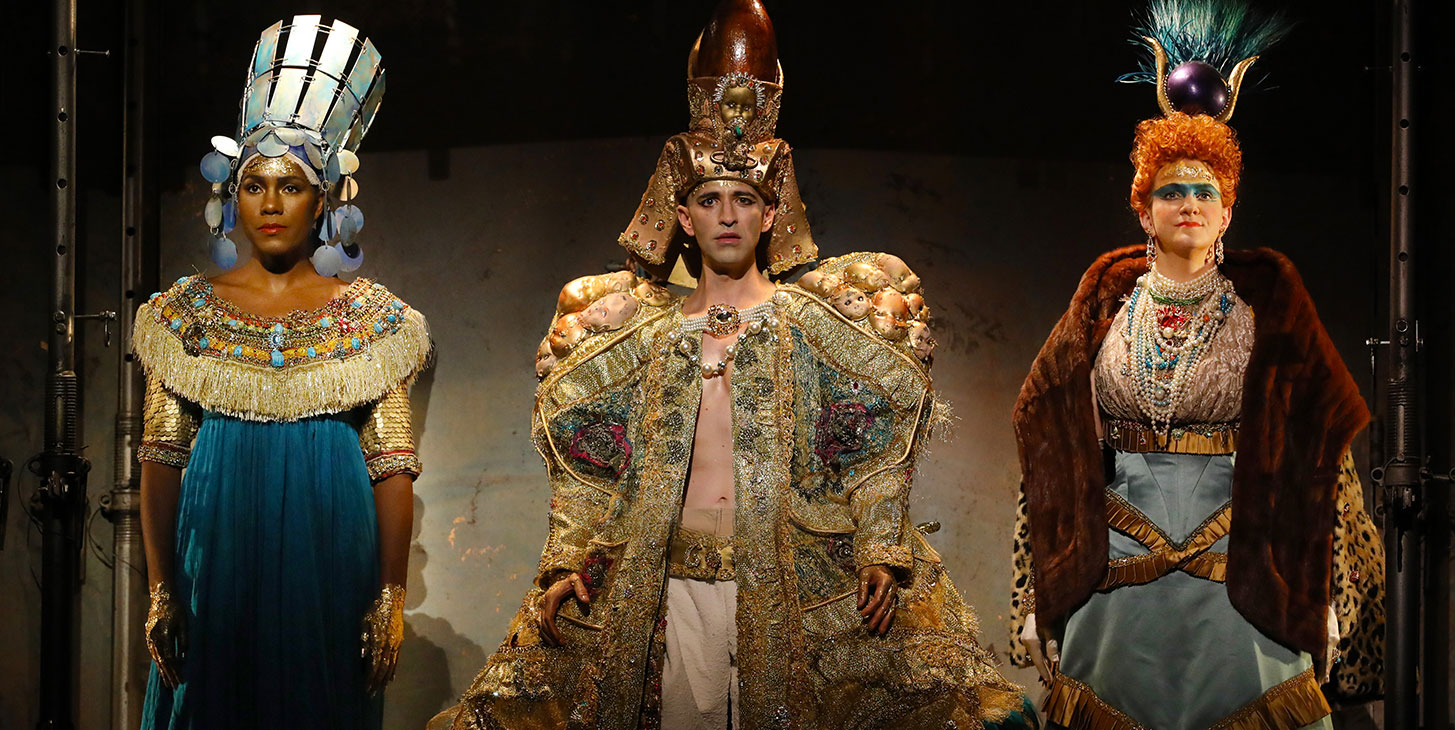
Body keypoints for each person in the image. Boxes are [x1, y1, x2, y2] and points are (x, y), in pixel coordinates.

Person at [437, 2, 1034, 728]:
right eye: (709, 199)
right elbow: (594, 466)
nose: (726, 215)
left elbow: (870, 445)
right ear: (684, 216)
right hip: (665, 590)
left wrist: (880, 545)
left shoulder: (820, 326)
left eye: (744, 199)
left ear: (769, 213)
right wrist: (565, 559)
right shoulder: (637, 338)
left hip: (795, 588)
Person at [1006, 2, 1384, 727]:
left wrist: (1327, 592)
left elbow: (1322, 464)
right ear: (1142, 211)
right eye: (1170, 191)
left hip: (1245, 565)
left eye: (1204, 191)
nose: (1188, 203)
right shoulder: (1103, 311)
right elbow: (1049, 455)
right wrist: (1034, 593)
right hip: (1112, 568)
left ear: (1227, 211)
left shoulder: (1266, 315)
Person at [134, 16, 430, 728]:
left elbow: (392, 464)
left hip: (330, 542)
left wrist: (390, 593)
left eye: (291, 186)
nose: (270, 204)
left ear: (324, 200)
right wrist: (161, 588)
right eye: (255, 185)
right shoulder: (183, 316)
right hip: (216, 545)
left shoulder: (373, 319)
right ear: (229, 196)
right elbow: (160, 459)